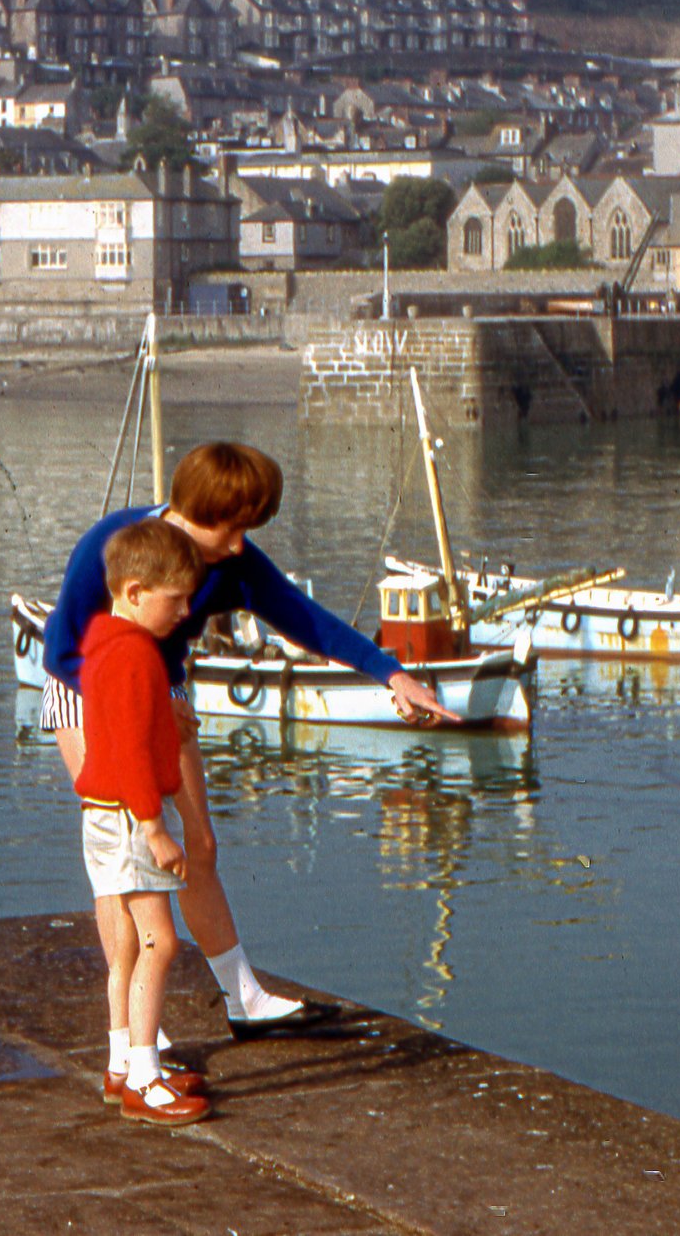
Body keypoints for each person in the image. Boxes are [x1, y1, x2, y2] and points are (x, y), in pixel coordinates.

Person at [40, 441, 452, 1038]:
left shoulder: (234, 561)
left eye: (247, 530)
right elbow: (61, 653)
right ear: (188, 513)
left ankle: (243, 998)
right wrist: (149, 707)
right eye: (229, 530)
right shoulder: (113, 545)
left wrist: (392, 673)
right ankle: (134, 1033)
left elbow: (303, 618)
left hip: (160, 688)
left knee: (199, 843)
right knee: (124, 862)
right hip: (86, 690)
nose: (238, 546)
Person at [76, 516, 212, 1126]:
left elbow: (119, 724)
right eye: (175, 599)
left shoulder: (106, 644)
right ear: (134, 592)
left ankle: (119, 1061)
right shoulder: (136, 656)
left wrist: (167, 720)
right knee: (161, 942)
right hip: (133, 818)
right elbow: (131, 753)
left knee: (127, 945)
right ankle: (146, 1078)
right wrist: (156, 828)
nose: (184, 611)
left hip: (100, 815)